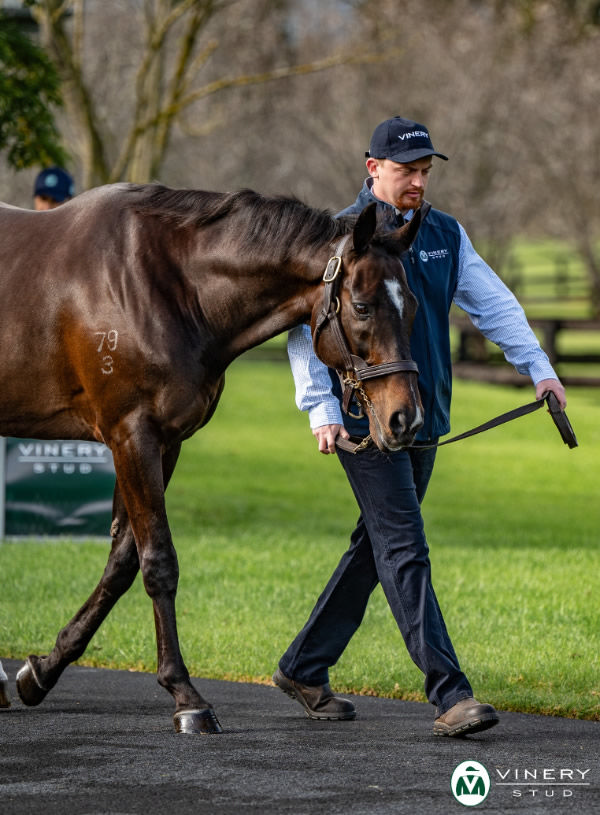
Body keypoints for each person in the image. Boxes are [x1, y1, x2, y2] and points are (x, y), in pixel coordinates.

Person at [273, 116, 567, 737]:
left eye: (426, 171)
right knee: (404, 546)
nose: (418, 182)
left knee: (375, 548)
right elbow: (304, 333)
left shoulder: (445, 235)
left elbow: (494, 303)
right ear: (373, 168)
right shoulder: (337, 242)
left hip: (422, 416)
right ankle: (450, 694)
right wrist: (320, 410)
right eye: (407, 170)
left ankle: (303, 666)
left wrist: (538, 367)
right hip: (362, 419)